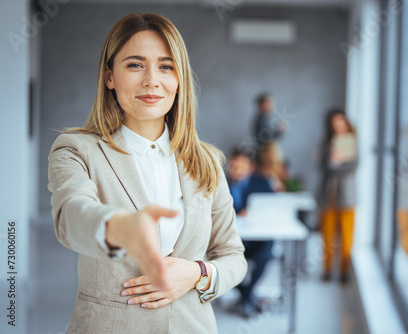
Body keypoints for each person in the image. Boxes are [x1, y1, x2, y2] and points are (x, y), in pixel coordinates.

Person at [47, 13, 247, 333]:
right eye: (135, 65)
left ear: (179, 79)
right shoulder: (76, 149)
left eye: (166, 66)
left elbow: (233, 256)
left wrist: (199, 272)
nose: (152, 80)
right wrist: (119, 228)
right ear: (109, 75)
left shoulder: (206, 161)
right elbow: (71, 216)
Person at [227, 147, 274, 318]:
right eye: (233, 165)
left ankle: (246, 295)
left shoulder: (262, 182)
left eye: (240, 165)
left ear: (251, 167)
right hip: (232, 237)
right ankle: (248, 296)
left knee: (266, 252)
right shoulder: (221, 182)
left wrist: (252, 212)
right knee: (222, 258)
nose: (235, 170)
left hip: (257, 238)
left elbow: (271, 208)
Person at [318, 108, 358, 282]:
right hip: (328, 194)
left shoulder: (353, 142)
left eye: (340, 122)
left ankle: (343, 271)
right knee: (327, 234)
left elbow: (354, 166)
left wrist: (336, 164)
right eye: (334, 124)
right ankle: (326, 270)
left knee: (347, 235)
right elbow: (324, 166)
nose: (338, 127)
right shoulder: (327, 143)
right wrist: (333, 161)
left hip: (347, 194)